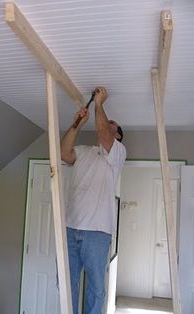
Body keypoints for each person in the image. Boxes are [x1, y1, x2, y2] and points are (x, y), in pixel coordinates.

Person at [60, 87, 126, 314]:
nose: (109, 125)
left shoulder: (117, 153)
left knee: (96, 289)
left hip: (97, 232)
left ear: (117, 137)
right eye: (108, 122)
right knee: (67, 285)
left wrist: (98, 104)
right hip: (70, 228)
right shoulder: (84, 151)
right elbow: (63, 152)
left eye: (114, 126)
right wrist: (77, 123)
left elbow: (103, 134)